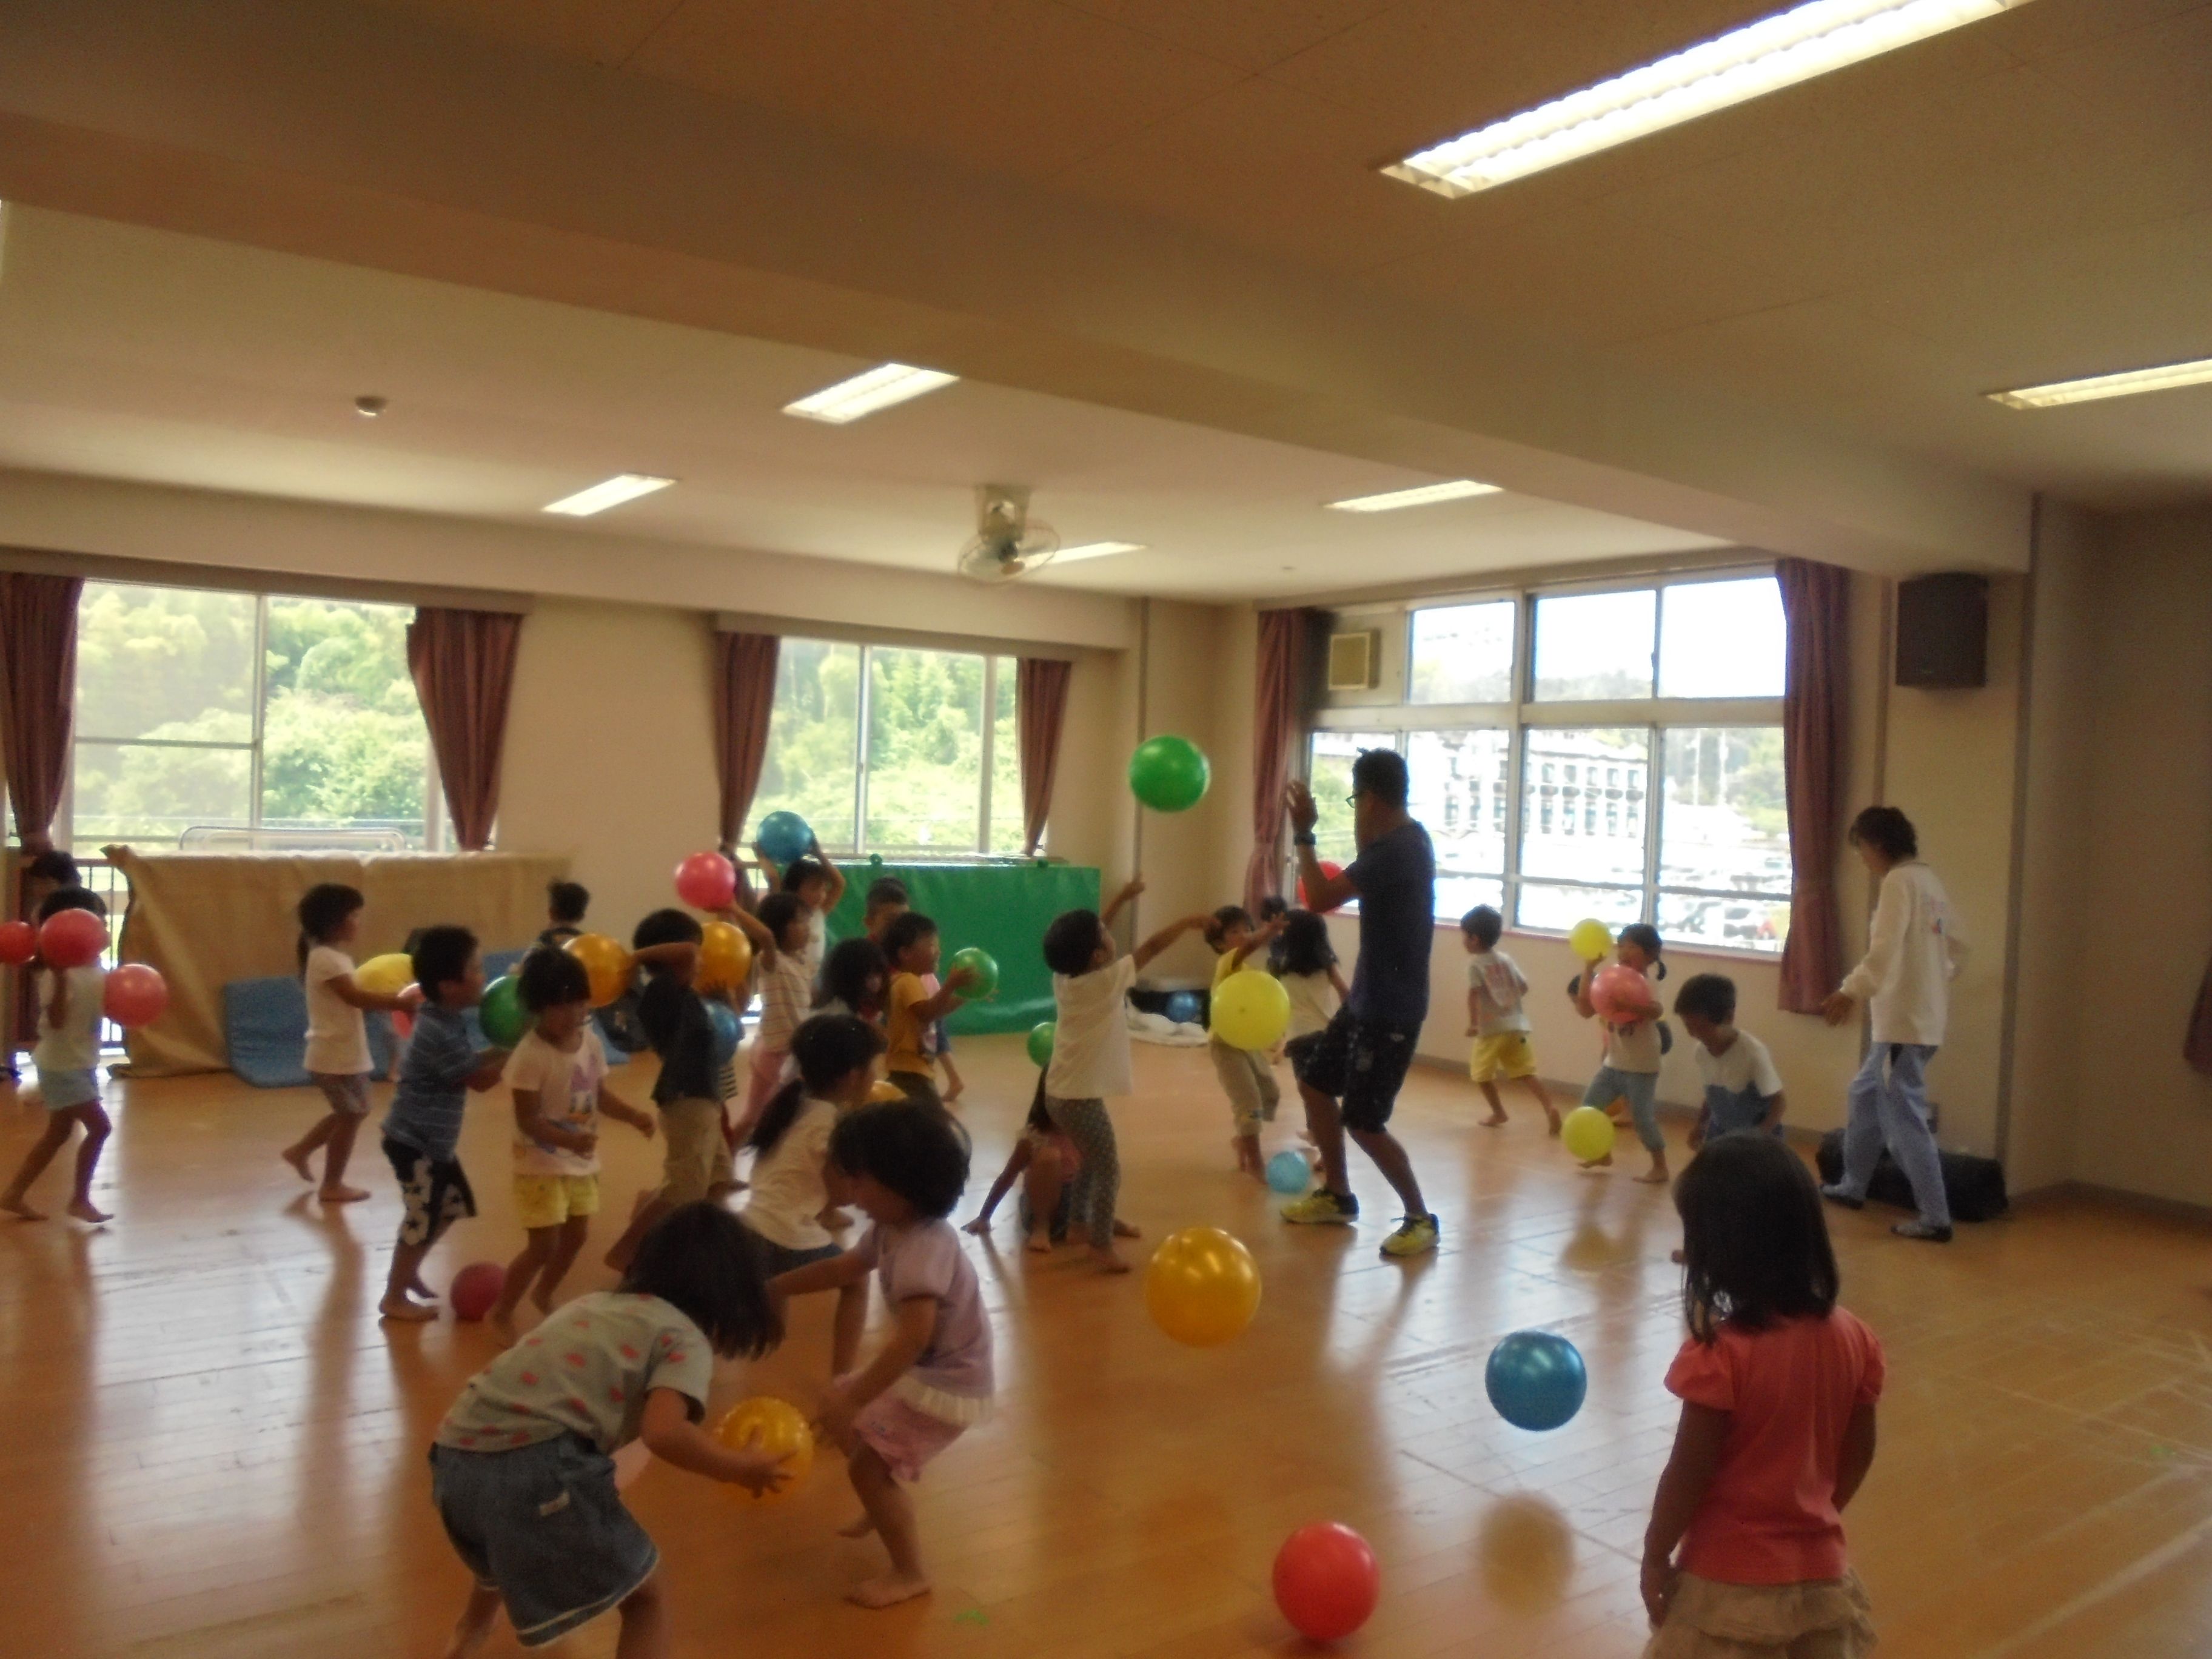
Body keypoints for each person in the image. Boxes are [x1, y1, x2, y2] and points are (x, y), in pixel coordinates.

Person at [431, 1203, 788, 1659]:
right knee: (648, 1598)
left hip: (453, 1457)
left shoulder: (594, 1305)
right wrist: (739, 1467)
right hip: (533, 1471)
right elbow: (664, 1433)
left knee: (504, 1543)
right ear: (732, 1296)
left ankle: (469, 1633)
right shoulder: (684, 1337)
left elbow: (577, 1425)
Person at [1640, 1134, 1882, 1659]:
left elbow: (1688, 1472)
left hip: (1727, 1587)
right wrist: (1817, 1512)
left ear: (1722, 1249)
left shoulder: (1721, 1358)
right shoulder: (1855, 1339)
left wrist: (1656, 1552)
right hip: (1822, 1580)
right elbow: (1859, 1453)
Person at [768, 1101, 993, 1609]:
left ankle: (911, 1571)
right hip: (929, 1369)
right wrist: (775, 1287)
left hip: (950, 1383)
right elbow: (840, 1271)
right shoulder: (892, 1229)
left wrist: (855, 1400)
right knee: (853, 1419)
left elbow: (913, 1337)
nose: (849, 1194)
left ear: (902, 1184)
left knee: (862, 1458)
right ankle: (883, 1497)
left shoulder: (922, 1246)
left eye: (859, 1181)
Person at [1280, 752, 1442, 1257]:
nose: (1356, 811)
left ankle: (1421, 1217)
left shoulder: (1398, 852)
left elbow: (1321, 897)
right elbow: (1359, 858)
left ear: (1369, 797)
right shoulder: (1402, 841)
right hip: (1367, 1000)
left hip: (1391, 1010)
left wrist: (1305, 833)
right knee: (1315, 1083)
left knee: (1365, 1121)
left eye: (1356, 800)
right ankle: (1337, 1195)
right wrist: (1357, 819)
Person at [489, 947, 655, 1342]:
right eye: (560, 1006)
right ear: (535, 1008)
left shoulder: (590, 1043)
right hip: (540, 1165)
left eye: (579, 1002)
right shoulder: (530, 1056)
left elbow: (600, 1095)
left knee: (577, 1236)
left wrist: (633, 1116)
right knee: (542, 1245)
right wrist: (568, 1140)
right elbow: (528, 1121)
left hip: (580, 1160)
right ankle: (502, 1310)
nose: (573, 1012)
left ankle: (544, 1293)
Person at [1040, 876, 1205, 1272]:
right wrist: (1186, 922)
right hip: (1077, 1097)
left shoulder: (1066, 977)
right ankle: (1099, 1244)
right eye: (1104, 934)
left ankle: (1082, 1224)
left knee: (1093, 1160)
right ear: (1097, 955)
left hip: (1063, 1092)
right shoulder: (1105, 982)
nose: (1108, 932)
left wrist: (1120, 899)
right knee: (1109, 1164)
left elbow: (1090, 936)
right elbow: (1149, 949)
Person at [1820, 806, 1966, 1243]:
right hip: (1918, 1019)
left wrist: (1849, 990)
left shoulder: (1899, 883)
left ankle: (1936, 1217)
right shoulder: (1929, 881)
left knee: (1904, 1120)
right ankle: (1852, 1185)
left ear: (1877, 845)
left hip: (1903, 1026)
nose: (1863, 859)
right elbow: (1959, 944)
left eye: (1862, 849)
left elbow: (1882, 951)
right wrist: (1935, 980)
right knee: (1864, 1093)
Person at [377, 926, 509, 1322]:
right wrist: (519, 1051)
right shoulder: (437, 1030)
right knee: (422, 1217)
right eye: (478, 968)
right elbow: (481, 1081)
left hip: (431, 1143)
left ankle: (409, 1270)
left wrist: (501, 1049)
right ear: (451, 985)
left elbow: (471, 1065)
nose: (485, 977)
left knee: (448, 1207)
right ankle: (393, 1297)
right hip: (415, 1143)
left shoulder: (446, 1018)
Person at [282, 882, 420, 1204]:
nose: (359, 923)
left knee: (354, 1113)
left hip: (345, 1053)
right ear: (334, 922)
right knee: (351, 1116)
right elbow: (355, 998)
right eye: (354, 916)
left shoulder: (332, 957)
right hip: (332, 1056)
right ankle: (332, 1185)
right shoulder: (326, 959)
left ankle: (301, 1151)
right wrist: (402, 1003)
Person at [2, 888, 114, 1224]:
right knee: (100, 1128)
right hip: (62, 1066)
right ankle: (79, 1199)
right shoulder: (54, 975)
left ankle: (13, 1195)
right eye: (98, 921)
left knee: (58, 1135)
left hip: (79, 1062)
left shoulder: (95, 967)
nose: (104, 928)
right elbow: (57, 1021)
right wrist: (63, 978)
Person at [1574, 923, 1671, 1184]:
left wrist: (1628, 1005)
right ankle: (1602, 1153)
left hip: (1642, 1066)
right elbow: (1585, 1009)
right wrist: (1589, 968)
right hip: (1613, 1063)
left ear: (1650, 955)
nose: (1624, 951)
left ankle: (1660, 1166)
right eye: (1622, 945)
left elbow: (1655, 1011)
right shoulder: (1611, 981)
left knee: (1642, 1119)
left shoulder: (1650, 983)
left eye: (1632, 946)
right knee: (1590, 1108)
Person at [1204, 904, 1287, 1178]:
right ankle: (1255, 1160)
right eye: (1235, 931)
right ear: (1219, 943)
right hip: (1226, 1044)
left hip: (1249, 1044)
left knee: (1270, 1094)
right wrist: (1268, 932)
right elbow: (1247, 948)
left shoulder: (1250, 970)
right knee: (1249, 1102)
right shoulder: (1228, 962)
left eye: (1247, 929)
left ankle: (1243, 1139)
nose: (1244, 935)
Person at [1462, 904, 1558, 1133]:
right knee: (1526, 1072)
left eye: (1465, 936)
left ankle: (1499, 1112)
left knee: (1481, 1074)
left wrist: (1474, 1023)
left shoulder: (1475, 965)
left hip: (1491, 1030)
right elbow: (1523, 987)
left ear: (1474, 939)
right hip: (1517, 1026)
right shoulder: (1505, 959)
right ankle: (1550, 1107)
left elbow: (1473, 995)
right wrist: (1509, 1002)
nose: (1463, 941)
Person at [732, 891, 811, 1142]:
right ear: (780, 927)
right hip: (777, 1053)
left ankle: (725, 1166)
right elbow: (765, 936)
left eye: (807, 922)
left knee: (762, 1117)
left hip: (783, 1050)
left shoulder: (799, 961)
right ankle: (724, 1168)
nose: (806, 929)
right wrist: (733, 907)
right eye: (799, 922)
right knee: (763, 1117)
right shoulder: (772, 961)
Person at [1675, 974, 1785, 1150]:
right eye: (1689, 1027)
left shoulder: (1752, 1053)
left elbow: (1779, 1101)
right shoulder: (1701, 1052)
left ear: (1729, 1017)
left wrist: (1759, 1137)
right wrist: (1700, 1125)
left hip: (1758, 1139)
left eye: (1703, 1028)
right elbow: (1712, 1093)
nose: (1695, 1034)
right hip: (1720, 1132)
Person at [880, 913, 974, 1109]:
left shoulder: (911, 980)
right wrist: (950, 985)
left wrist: (967, 995)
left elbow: (936, 1011)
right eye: (931, 946)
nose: (938, 952)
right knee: (929, 1122)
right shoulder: (907, 981)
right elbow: (927, 1013)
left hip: (914, 1070)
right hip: (908, 1071)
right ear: (905, 953)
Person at [1274, 910, 1346, 1139]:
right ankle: (1317, 1132)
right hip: (1326, 1033)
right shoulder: (1327, 964)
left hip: (1300, 1038)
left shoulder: (1281, 966)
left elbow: (1278, 1004)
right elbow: (1346, 993)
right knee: (1320, 1089)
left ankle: (1320, 1134)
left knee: (1309, 1089)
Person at [759, 840, 845, 981]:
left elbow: (839, 883)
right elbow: (773, 879)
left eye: (823, 889)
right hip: (788, 976)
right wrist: (763, 858)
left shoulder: (819, 912)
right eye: (814, 888)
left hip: (813, 978)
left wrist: (819, 854)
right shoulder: (784, 913)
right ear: (795, 890)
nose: (821, 895)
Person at [814, 936, 890, 1027]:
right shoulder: (838, 1014)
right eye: (869, 977)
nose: (877, 981)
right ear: (849, 978)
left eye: (878, 974)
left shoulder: (868, 1007)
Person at [539, 880, 589, 951]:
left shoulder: (545, 939)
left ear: (551, 912)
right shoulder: (584, 942)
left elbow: (529, 959)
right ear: (581, 917)